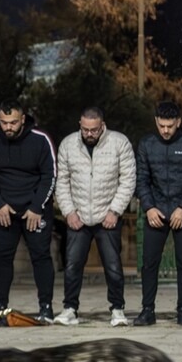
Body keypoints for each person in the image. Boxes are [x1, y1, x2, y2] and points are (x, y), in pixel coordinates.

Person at [53, 107, 136, 327]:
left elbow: (128, 180)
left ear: (102, 125)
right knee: (72, 266)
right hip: (77, 216)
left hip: (107, 215)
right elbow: (61, 182)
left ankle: (117, 309)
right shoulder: (68, 144)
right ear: (80, 125)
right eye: (85, 129)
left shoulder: (120, 143)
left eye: (94, 130)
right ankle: (70, 309)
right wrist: (69, 211)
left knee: (113, 266)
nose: (89, 134)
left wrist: (115, 211)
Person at [0, 100, 57, 322]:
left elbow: (50, 175)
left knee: (41, 257)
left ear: (22, 119)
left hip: (35, 210)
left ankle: (46, 308)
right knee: (2, 257)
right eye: (4, 122)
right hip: (3, 210)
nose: (8, 127)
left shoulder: (40, 139)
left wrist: (37, 207)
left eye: (13, 122)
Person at [134, 100, 182, 326]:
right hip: (156, 212)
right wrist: (149, 207)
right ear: (156, 121)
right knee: (149, 263)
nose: (165, 130)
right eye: (161, 125)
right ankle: (147, 310)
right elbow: (141, 180)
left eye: (170, 126)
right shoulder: (146, 145)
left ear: (178, 122)